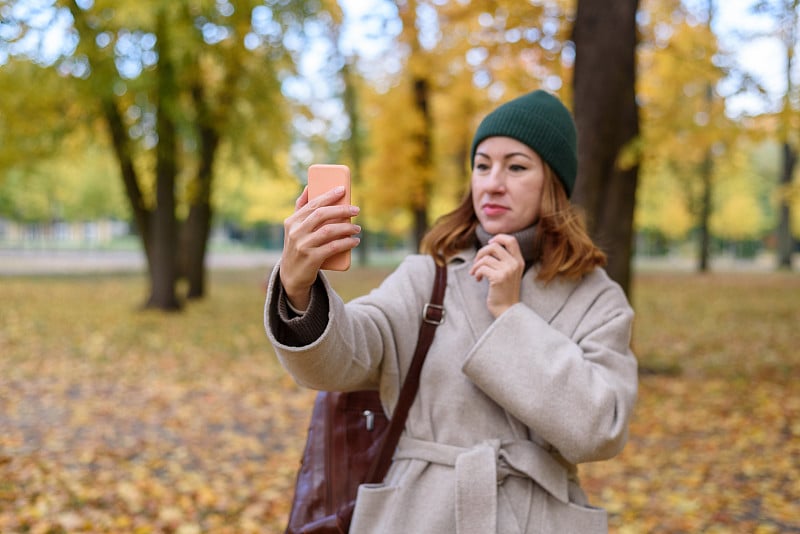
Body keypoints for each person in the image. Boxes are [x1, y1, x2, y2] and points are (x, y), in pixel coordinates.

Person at [265, 90, 638, 533]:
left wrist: (510, 314)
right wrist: (298, 287)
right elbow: (341, 360)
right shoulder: (427, 278)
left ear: (553, 183)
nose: (492, 183)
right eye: (482, 165)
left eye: (516, 166)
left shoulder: (597, 299)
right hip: (419, 515)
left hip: (538, 519)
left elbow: (600, 429)